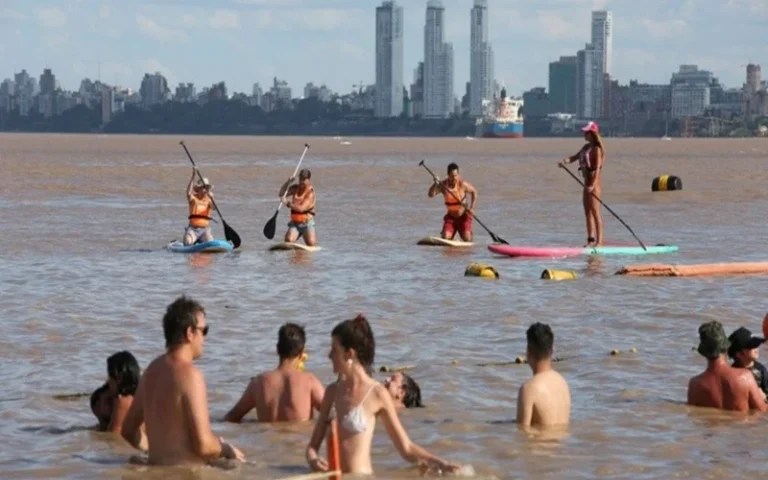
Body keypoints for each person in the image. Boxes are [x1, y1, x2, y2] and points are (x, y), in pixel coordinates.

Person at [305, 314, 460, 475]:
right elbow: (312, 447)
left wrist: (441, 463)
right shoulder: (332, 392)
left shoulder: (377, 394)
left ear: (349, 354)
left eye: (334, 349)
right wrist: (313, 459)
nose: (329, 355)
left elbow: (406, 448)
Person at [120, 296, 245, 465]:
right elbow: (204, 446)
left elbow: (127, 430)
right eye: (204, 330)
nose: (205, 338)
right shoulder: (191, 375)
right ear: (189, 333)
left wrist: (152, 450)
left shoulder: (150, 372)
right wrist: (225, 448)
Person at [224, 323, 325, 423]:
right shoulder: (309, 381)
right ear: (302, 352)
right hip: (297, 438)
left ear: (277, 349)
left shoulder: (258, 383)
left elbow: (231, 418)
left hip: (266, 438)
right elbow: (333, 413)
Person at [687, 321, 766, 413]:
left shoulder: (695, 385)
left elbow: (693, 416)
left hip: (710, 427)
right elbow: (763, 411)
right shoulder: (745, 376)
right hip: (743, 426)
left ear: (704, 352)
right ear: (726, 347)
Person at [558, 121, 605, 247]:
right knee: (587, 212)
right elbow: (574, 158)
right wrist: (564, 162)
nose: (584, 134)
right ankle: (590, 240)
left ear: (592, 134)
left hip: (594, 185)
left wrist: (593, 186)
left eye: (586, 132)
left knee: (595, 212)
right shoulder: (585, 148)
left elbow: (597, 169)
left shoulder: (597, 150)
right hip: (586, 184)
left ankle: (599, 242)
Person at [516, 323, 571, 428]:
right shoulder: (562, 383)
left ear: (528, 352)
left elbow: (522, 435)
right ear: (552, 350)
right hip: (561, 444)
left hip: (539, 444)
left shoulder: (529, 389)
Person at [90, 351, 144, 438]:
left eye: (110, 378)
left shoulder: (122, 400)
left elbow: (114, 434)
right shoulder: (136, 396)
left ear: (118, 378)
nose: (108, 382)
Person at [427, 163, 477, 242]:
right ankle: (450, 234)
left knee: (467, 239)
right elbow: (430, 195)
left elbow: (474, 192)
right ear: (448, 175)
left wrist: (472, 208)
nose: (454, 178)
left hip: (464, 217)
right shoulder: (443, 185)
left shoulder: (462, 184)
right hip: (451, 217)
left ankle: (468, 234)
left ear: (458, 175)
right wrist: (435, 184)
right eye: (452, 176)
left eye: (456, 176)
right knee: (445, 238)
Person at [278, 168, 316, 246]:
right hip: (295, 223)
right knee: (288, 240)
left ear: (308, 180)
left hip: (307, 223)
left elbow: (301, 208)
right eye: (300, 178)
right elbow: (281, 194)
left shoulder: (310, 193)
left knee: (311, 243)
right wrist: (288, 182)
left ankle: (305, 236)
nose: (301, 181)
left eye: (304, 179)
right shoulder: (295, 188)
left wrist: (287, 203)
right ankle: (295, 235)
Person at [727, 326, 768, 399]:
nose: (756, 348)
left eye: (756, 345)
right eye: (752, 346)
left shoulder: (761, 369)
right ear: (739, 354)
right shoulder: (732, 373)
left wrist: (764, 396)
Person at [184, 169, 215, 246]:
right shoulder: (193, 198)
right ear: (198, 189)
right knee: (188, 242)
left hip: (204, 230)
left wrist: (212, 199)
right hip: (193, 229)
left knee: (210, 243)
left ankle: (200, 241)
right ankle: (190, 237)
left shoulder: (209, 199)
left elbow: (214, 208)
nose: (205, 190)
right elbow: (188, 193)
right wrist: (193, 176)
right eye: (203, 188)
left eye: (206, 188)